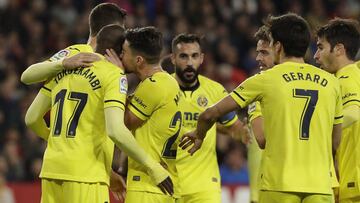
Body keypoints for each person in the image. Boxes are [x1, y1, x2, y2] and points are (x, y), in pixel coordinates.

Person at [180, 13, 343, 203]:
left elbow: (211, 114)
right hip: (321, 186)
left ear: (278, 46)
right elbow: (336, 141)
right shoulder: (332, 83)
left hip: (279, 184)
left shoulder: (265, 80)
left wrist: (199, 134)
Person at [24, 25, 172, 203]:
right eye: (123, 51)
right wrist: (153, 167)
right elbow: (116, 130)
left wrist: (61, 142)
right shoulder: (113, 75)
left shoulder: (66, 65)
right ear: (116, 52)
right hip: (87, 175)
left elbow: (31, 118)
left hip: (51, 170)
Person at [169, 33, 244, 203]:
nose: (189, 63)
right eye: (183, 56)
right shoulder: (160, 88)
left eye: (194, 56)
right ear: (173, 58)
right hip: (167, 183)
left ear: (202, 58)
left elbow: (235, 128)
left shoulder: (216, 91)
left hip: (204, 187)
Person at [121, 27, 181, 203]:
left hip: (147, 187)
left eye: (124, 52)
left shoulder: (152, 86)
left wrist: (115, 77)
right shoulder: (168, 81)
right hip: (163, 186)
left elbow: (125, 122)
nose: (121, 57)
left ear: (139, 60)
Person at [21, 3, 127, 85]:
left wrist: (119, 75)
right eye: (119, 30)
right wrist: (63, 63)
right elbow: (26, 76)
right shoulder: (76, 53)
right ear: (107, 30)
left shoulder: (111, 65)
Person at [314, 18, 360, 203]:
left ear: (339, 49)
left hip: (354, 182)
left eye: (320, 47)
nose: (316, 55)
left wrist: (317, 129)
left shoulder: (345, 78)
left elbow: (354, 113)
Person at [247, 25, 274, 203]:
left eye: (264, 52)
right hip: (312, 183)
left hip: (271, 188)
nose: (258, 58)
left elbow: (262, 138)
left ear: (279, 48)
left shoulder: (259, 87)